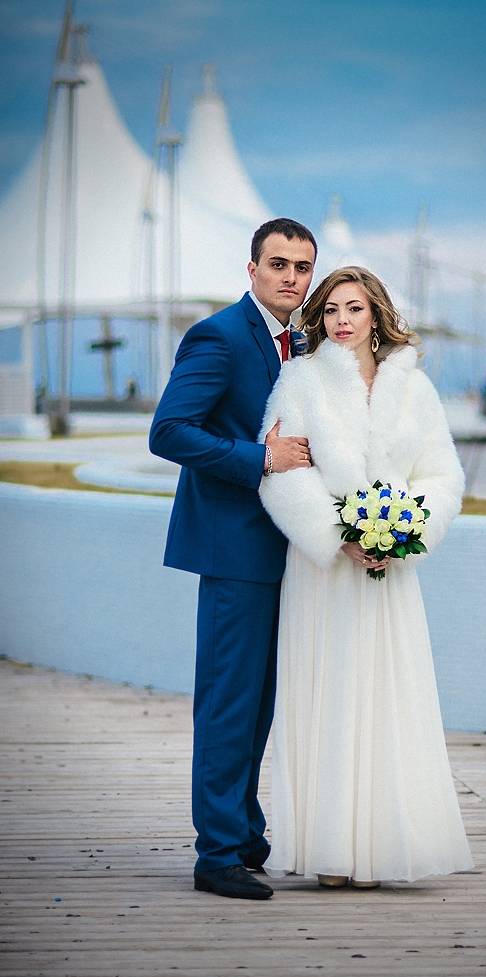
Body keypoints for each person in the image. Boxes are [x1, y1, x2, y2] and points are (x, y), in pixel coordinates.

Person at [258, 266, 474, 887]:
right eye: (330, 310)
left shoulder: (415, 389)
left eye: (354, 308)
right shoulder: (300, 380)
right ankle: (330, 849)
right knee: (329, 698)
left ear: (376, 313)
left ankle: (380, 847)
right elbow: (284, 472)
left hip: (391, 575)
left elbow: (442, 476)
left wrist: (403, 533)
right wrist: (339, 537)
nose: (342, 320)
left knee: (388, 700)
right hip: (324, 571)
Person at [149, 218, 317, 900]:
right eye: (278, 264)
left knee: (258, 705)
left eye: (301, 267)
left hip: (283, 548)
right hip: (231, 549)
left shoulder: (300, 342)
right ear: (252, 269)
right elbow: (169, 431)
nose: (290, 277)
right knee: (228, 703)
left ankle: (245, 834)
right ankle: (216, 855)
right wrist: (260, 459)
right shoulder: (218, 336)